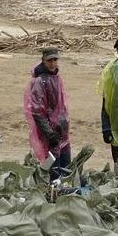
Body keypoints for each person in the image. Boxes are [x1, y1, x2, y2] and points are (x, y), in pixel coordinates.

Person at [23, 48, 71, 179]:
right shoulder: (40, 81)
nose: (53, 63)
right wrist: (49, 134)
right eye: (50, 60)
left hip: (62, 133)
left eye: (55, 60)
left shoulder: (56, 77)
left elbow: (62, 106)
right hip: (50, 135)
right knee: (54, 173)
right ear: (43, 61)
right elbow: (37, 112)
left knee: (66, 171)